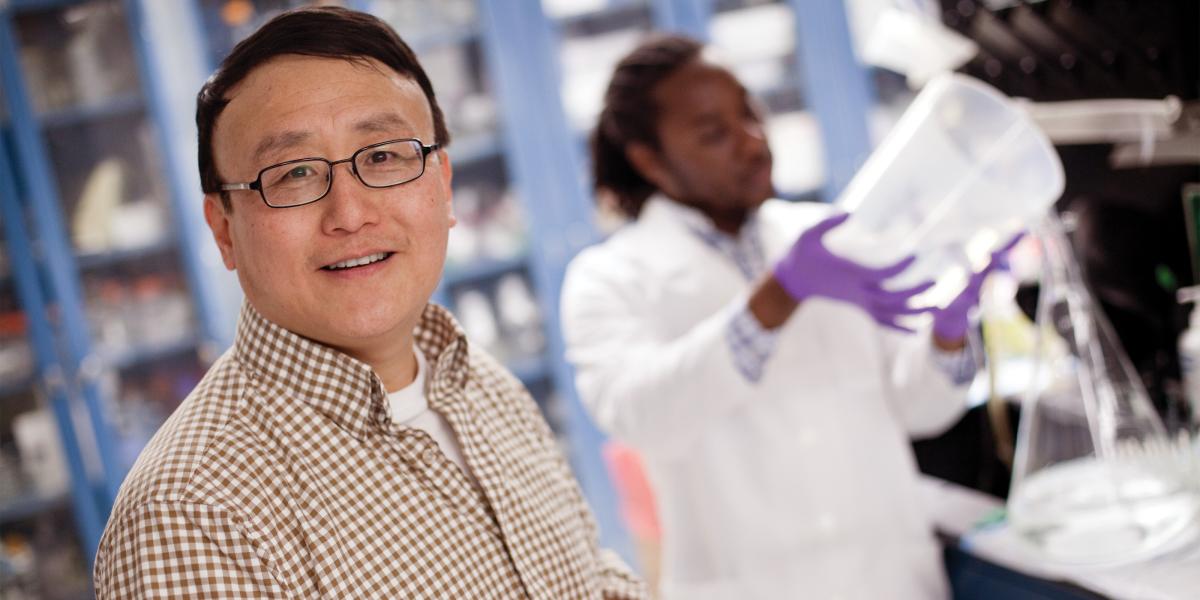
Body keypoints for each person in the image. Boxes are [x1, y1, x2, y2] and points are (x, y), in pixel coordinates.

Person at [93, 8, 646, 599]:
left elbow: (590, 581)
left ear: (443, 184)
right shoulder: (190, 516)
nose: (351, 214)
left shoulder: (477, 384)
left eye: (383, 156)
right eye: (295, 173)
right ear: (224, 230)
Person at [561, 34, 1014, 600]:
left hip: (889, 579)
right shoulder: (607, 278)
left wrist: (948, 333)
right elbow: (643, 414)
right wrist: (780, 294)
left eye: (750, 114)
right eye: (714, 133)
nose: (752, 142)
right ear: (649, 160)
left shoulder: (829, 236)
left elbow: (920, 410)